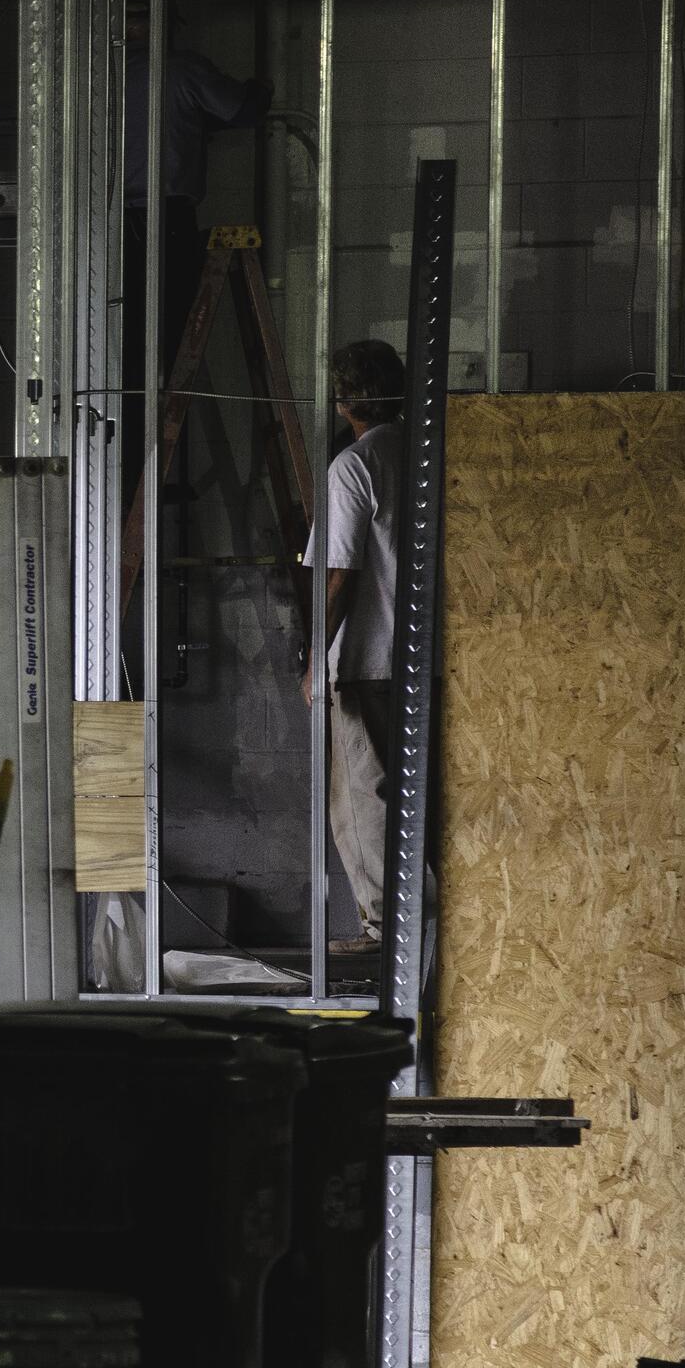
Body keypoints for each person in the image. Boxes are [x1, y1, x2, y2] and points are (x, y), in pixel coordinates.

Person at [121, 0, 269, 499]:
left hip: (105, 232)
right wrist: (261, 87)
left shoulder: (94, 78)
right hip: (163, 222)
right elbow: (243, 110)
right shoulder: (179, 70)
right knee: (167, 347)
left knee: (121, 357)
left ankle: (127, 480)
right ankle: (155, 479)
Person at [302, 339, 405, 956]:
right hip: (422, 663)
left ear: (344, 403)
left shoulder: (354, 466)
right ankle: (418, 921)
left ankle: (382, 928)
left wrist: (317, 657)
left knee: (361, 800)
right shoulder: (427, 457)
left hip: (366, 663)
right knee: (413, 795)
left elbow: (338, 574)